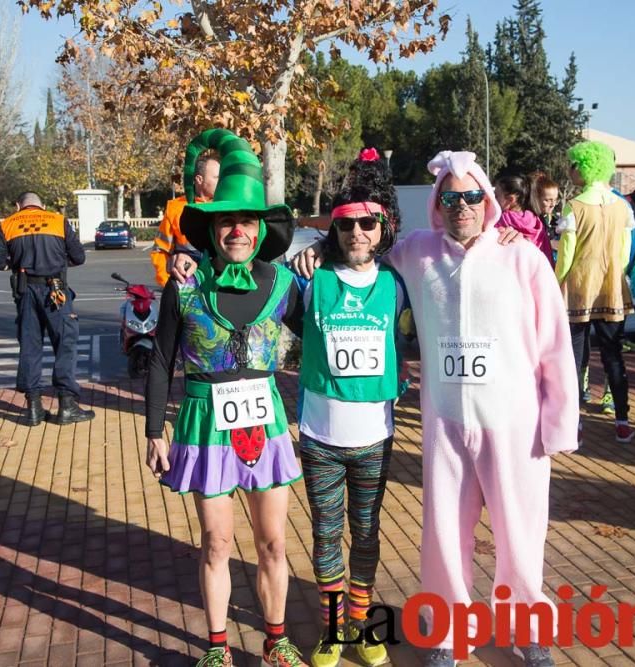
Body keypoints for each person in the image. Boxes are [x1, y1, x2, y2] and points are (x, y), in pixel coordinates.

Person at [295, 150, 578, 667]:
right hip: (445, 422)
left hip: (514, 423)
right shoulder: (416, 254)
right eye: (451, 197)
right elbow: (361, 245)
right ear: (437, 204)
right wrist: (316, 251)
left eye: (472, 196)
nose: (462, 205)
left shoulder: (523, 258)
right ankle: (447, 628)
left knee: (521, 528)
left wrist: (559, 424)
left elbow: (555, 345)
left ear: (488, 201)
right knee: (443, 529)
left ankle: (528, 628)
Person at [143, 129, 307, 667]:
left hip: (267, 426)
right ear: (213, 229)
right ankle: (217, 649)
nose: (237, 230)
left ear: (262, 229)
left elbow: (321, 344)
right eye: (227, 221)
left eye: (247, 221)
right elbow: (163, 359)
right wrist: (152, 431)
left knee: (274, 545)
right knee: (215, 544)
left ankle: (276, 640)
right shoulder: (183, 285)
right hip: (203, 424)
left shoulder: (285, 285)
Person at [298, 154, 408, 667]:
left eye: (368, 223)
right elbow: (252, 270)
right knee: (325, 533)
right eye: (345, 224)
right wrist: (190, 257)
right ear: (335, 228)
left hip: (373, 439)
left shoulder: (398, 283)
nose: (357, 232)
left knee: (365, 533)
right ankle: (332, 628)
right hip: (319, 435)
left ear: (384, 226)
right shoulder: (310, 276)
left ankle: (361, 625)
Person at [0, 192, 94, 427]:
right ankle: (67, 405)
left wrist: (15, 263)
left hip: (26, 293)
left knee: (30, 346)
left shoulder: (8, 224)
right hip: (56, 291)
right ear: (42, 205)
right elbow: (79, 256)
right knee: (65, 343)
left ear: (18, 206)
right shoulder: (57, 221)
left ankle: (34, 408)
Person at [557, 141, 635, 443]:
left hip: (578, 289)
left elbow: (566, 256)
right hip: (612, 287)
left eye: (573, 165)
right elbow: (626, 252)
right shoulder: (623, 206)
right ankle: (622, 420)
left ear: (585, 167)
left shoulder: (574, 206)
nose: (570, 170)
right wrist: (617, 273)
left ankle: (574, 422)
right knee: (614, 356)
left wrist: (556, 285)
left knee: (574, 358)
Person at [149, 152, 220, 286]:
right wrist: (169, 283)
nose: (221, 182)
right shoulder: (175, 208)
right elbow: (160, 251)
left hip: (219, 285)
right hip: (187, 285)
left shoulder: (227, 207)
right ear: (199, 179)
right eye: (217, 177)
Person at [494, 174, 554, 265]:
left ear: (510, 199)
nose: (493, 199)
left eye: (496, 196)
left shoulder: (503, 220)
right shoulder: (536, 219)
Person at [530, 173, 561, 238]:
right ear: (535, 198)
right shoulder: (528, 221)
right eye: (548, 200)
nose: (553, 204)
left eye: (555, 200)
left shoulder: (543, 217)